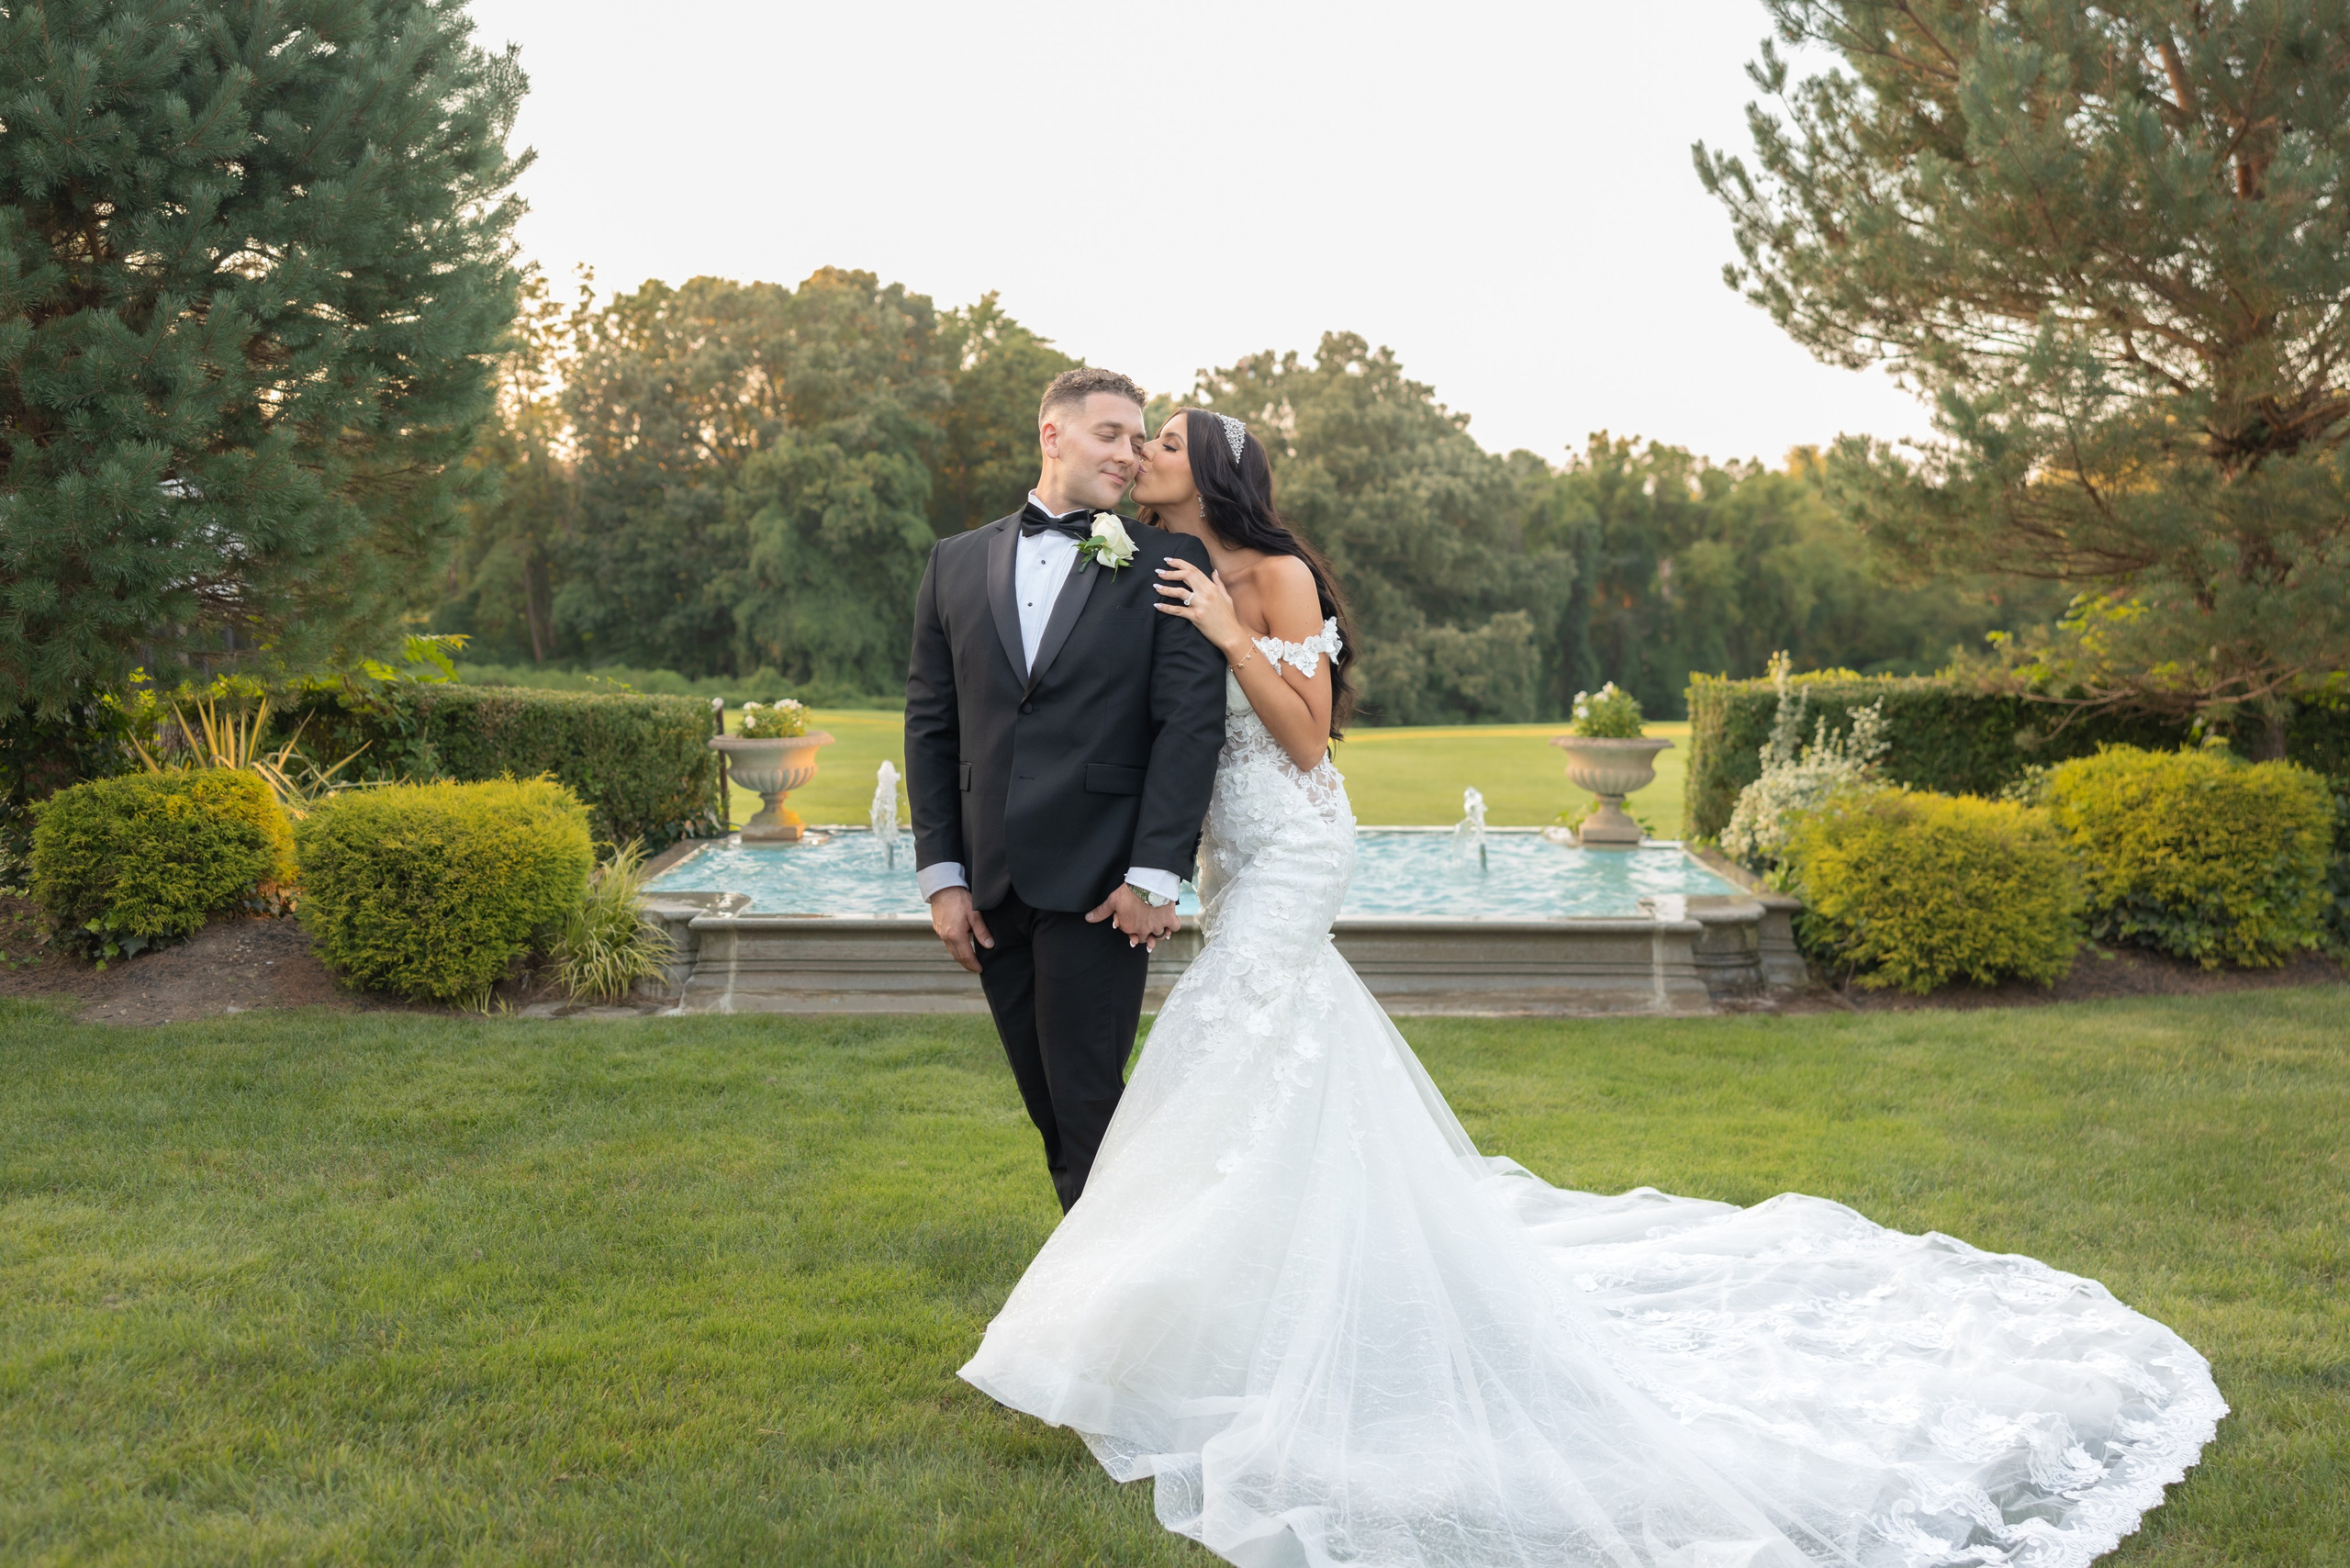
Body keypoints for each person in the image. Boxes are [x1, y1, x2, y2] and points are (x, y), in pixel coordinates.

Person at [958, 409, 2226, 1568]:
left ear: (1212, 470)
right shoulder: (1160, 560)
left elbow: (1305, 736)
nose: (1147, 452)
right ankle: (1243, 1294)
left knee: (1238, 1034)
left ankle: (1188, 1315)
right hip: (1232, 848)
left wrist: (1233, 636)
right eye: (1140, 438)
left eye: (1166, 439)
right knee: (1266, 1046)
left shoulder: (1272, 572)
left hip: (1292, 841)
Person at [903, 368, 1227, 1214]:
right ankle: (1106, 1270)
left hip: (1102, 886)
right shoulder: (952, 562)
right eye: (1110, 434)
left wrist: (1154, 875)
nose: (1130, 454)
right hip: (991, 886)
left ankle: (1110, 1286)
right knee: (1049, 1107)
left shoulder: (1170, 562)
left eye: (1139, 439)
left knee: (1086, 1106)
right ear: (1052, 435)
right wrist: (942, 879)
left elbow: (1189, 726)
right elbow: (932, 727)